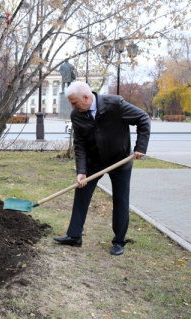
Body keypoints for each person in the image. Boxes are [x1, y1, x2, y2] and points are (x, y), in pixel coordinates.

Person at [54, 81, 150, 256]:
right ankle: (74, 236)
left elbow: (143, 118)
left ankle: (119, 241)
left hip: (120, 160)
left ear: (85, 97)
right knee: (81, 192)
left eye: (74, 102)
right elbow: (80, 144)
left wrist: (140, 147)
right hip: (94, 161)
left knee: (121, 200)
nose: (72, 107)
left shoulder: (115, 104)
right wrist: (81, 171)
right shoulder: (77, 115)